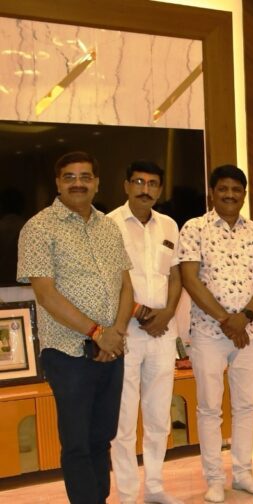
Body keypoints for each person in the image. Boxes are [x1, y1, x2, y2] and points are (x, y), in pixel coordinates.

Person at [18, 151, 134, 503]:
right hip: (68, 353)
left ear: (97, 183)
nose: (78, 183)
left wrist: (115, 334)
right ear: (58, 183)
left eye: (85, 176)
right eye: (69, 177)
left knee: (102, 437)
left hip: (111, 349)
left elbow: (125, 286)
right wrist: (98, 333)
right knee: (78, 443)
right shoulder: (38, 228)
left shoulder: (109, 227)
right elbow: (46, 294)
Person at [178, 165, 253, 502]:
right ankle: (214, 479)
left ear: (244, 194)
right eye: (223, 189)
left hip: (248, 332)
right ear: (212, 193)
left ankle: (243, 474)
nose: (230, 195)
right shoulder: (194, 228)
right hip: (208, 332)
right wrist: (225, 320)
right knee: (209, 407)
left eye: (236, 189)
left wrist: (244, 317)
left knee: (246, 406)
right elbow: (190, 279)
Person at [109, 161, 184, 504]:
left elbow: (176, 276)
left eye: (152, 184)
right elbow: (108, 281)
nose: (145, 189)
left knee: (158, 416)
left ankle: (154, 488)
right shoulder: (109, 224)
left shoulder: (169, 225)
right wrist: (138, 311)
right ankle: (127, 495)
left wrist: (166, 313)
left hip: (162, 332)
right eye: (138, 182)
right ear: (126, 185)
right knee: (123, 419)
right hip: (125, 332)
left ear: (160, 189)